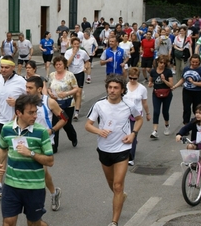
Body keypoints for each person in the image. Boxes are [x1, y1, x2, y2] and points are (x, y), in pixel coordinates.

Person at [85, 74, 143, 226]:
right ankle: (120, 196)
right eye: (110, 87)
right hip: (104, 149)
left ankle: (114, 222)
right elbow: (88, 125)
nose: (112, 90)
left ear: (122, 90)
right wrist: (99, 131)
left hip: (122, 148)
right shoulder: (99, 105)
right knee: (111, 183)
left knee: (118, 185)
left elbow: (139, 119)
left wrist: (133, 134)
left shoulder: (129, 104)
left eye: (116, 88)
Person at [0, 94, 54, 226]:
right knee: (8, 222)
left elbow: (50, 161)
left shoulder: (41, 132)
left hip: (34, 187)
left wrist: (31, 153)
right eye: (31, 113)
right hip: (11, 186)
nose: (35, 116)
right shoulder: (7, 129)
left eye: (36, 112)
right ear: (18, 113)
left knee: (33, 223)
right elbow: (3, 149)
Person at [26, 76, 67, 211]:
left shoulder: (50, 102)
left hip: (45, 141)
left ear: (39, 89)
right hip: (28, 139)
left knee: (39, 169)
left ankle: (35, 202)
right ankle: (54, 192)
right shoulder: (25, 101)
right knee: (40, 172)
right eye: (26, 87)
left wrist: (52, 130)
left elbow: (64, 118)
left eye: (30, 88)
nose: (27, 90)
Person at [0, 56, 26, 197]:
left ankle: (20, 181)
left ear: (13, 68)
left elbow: (31, 98)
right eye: (2, 67)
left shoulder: (21, 81)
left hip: (18, 123)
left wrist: (17, 102)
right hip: (3, 121)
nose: (3, 70)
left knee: (18, 153)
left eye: (6, 67)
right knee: (0, 152)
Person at [47, 56, 79, 153]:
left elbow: (76, 88)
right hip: (55, 104)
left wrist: (66, 93)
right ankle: (54, 146)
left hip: (67, 103)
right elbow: (48, 87)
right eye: (56, 64)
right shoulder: (52, 75)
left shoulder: (70, 75)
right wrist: (50, 93)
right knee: (55, 124)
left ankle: (73, 137)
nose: (58, 66)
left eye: (60, 64)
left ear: (64, 65)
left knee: (66, 124)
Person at [123, 67, 151, 166]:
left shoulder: (142, 88)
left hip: (136, 114)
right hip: (124, 113)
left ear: (138, 78)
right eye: (130, 78)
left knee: (133, 134)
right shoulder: (124, 86)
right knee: (124, 133)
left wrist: (147, 113)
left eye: (134, 78)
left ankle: (131, 157)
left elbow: (144, 102)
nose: (132, 80)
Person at [172, 54, 201, 129]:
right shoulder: (186, 69)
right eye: (193, 62)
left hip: (198, 92)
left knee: (196, 108)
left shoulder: (200, 70)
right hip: (187, 91)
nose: (194, 64)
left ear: (199, 62)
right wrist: (175, 86)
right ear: (190, 61)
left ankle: (198, 124)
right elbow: (183, 79)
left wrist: (194, 82)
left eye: (196, 62)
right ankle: (186, 125)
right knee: (186, 108)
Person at [148, 55, 173, 139]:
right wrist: (150, 84)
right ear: (157, 62)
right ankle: (155, 131)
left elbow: (171, 85)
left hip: (167, 94)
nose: (162, 64)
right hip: (156, 94)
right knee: (156, 111)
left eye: (164, 63)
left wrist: (164, 80)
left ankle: (166, 125)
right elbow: (150, 80)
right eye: (161, 62)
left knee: (165, 111)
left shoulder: (168, 72)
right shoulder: (153, 71)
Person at [64, 37, 90, 120]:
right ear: (72, 45)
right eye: (74, 44)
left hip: (80, 73)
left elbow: (87, 61)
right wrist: (73, 53)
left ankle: (76, 112)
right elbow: (67, 64)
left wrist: (85, 67)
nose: (76, 46)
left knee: (78, 93)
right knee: (74, 94)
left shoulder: (83, 52)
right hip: (71, 74)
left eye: (78, 44)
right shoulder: (68, 52)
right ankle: (77, 103)